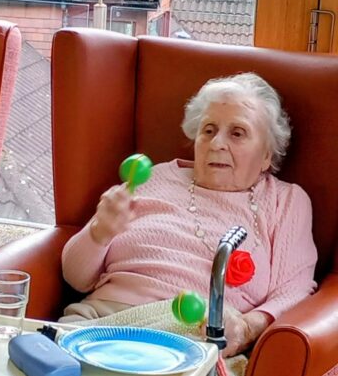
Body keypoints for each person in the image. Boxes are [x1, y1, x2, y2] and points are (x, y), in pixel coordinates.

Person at [60, 73, 317, 359]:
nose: (217, 143)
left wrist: (246, 328)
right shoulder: (150, 177)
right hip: (101, 325)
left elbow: (294, 290)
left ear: (267, 154)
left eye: (237, 133)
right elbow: (76, 278)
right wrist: (99, 231)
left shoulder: (285, 201)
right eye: (208, 130)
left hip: (194, 341)